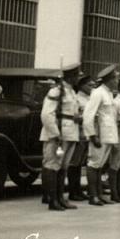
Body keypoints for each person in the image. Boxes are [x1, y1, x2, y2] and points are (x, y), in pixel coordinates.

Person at [39, 63, 82, 211]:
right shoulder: (57, 91)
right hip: (58, 135)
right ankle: (52, 200)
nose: (78, 78)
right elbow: (46, 114)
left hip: (70, 134)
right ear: (70, 76)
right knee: (53, 166)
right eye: (76, 75)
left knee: (63, 167)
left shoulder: (71, 92)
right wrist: (54, 134)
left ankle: (60, 198)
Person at [83, 65, 120, 206]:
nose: (117, 81)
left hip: (109, 135)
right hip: (99, 136)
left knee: (99, 166)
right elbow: (88, 116)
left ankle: (99, 194)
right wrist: (92, 136)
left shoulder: (109, 94)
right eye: (115, 78)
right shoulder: (98, 93)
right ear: (109, 80)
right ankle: (93, 196)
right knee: (93, 165)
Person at [67, 73, 94, 202]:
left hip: (87, 135)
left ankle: (78, 190)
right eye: (89, 85)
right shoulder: (77, 99)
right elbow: (75, 117)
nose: (91, 87)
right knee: (74, 164)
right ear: (81, 86)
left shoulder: (90, 98)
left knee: (80, 164)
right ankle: (73, 191)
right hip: (78, 134)